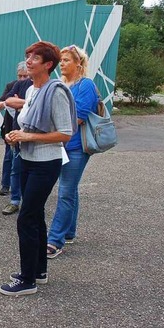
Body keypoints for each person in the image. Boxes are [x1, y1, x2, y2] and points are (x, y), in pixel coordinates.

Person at [0, 41, 76, 297]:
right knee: (36, 215)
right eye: (28, 56)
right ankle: (39, 271)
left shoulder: (56, 91)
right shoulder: (31, 90)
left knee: (26, 218)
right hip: (27, 159)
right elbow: (28, 126)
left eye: (34, 57)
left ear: (48, 64)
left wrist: (28, 137)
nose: (29, 61)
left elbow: (65, 134)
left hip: (46, 163)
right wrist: (16, 135)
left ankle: (27, 279)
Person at [46, 45, 98, 258]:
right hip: (59, 145)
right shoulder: (59, 84)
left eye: (66, 60)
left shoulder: (86, 85)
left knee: (65, 191)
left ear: (79, 63)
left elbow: (77, 119)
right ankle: (69, 231)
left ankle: (55, 239)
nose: (62, 64)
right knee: (70, 189)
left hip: (75, 147)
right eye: (61, 60)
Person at [0, 63, 33, 216]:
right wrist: (28, 103)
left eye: (26, 74)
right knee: (15, 167)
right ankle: (14, 201)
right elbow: (8, 101)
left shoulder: (46, 87)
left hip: (34, 134)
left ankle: (29, 201)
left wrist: (21, 103)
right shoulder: (19, 84)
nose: (24, 77)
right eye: (21, 74)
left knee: (31, 170)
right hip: (15, 130)